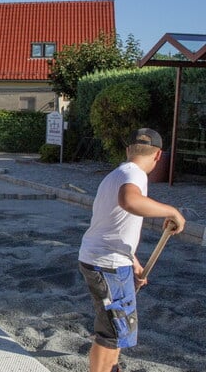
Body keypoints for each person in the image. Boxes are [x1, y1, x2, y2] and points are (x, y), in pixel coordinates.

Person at [78, 128, 186, 372]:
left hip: (109, 259)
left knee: (119, 326)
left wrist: (133, 262)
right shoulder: (134, 175)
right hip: (107, 264)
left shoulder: (116, 174)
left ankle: (112, 367)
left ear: (128, 150)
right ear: (158, 156)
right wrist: (172, 211)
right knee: (112, 331)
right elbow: (130, 200)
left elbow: (111, 225)